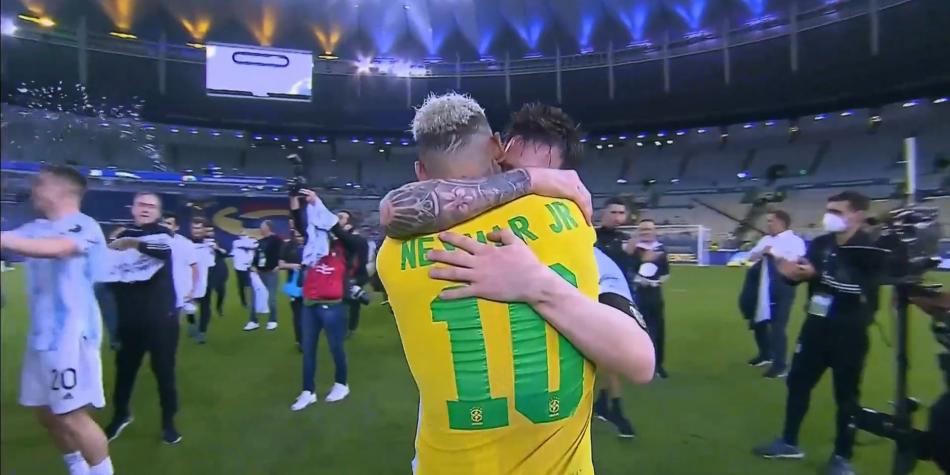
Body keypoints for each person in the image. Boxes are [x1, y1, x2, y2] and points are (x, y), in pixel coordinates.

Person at [376, 94, 654, 473]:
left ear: (421, 171)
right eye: (510, 172)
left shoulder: (393, 254)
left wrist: (537, 284)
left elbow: (394, 210)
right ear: (497, 150)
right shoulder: (574, 231)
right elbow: (642, 364)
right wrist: (535, 182)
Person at [754, 191, 886, 475]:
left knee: (846, 396)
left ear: (857, 215)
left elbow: (859, 290)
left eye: (837, 211)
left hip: (849, 332)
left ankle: (842, 456)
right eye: (829, 210)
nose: (830, 216)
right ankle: (789, 442)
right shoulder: (821, 243)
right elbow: (804, 274)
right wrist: (791, 274)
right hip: (815, 327)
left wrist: (818, 274)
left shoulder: (869, 250)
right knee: (798, 383)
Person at [0, 165, 114, 475]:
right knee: (46, 413)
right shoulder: (36, 227)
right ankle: (77, 467)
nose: (34, 188)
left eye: (41, 183)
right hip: (42, 337)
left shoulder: (84, 226)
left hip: (71, 337)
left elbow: (58, 249)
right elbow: (13, 241)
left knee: (71, 415)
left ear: (62, 190)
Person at [104, 191, 182, 445]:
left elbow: (163, 252)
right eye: (141, 204)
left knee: (164, 373)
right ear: (133, 208)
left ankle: (168, 423)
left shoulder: (163, 234)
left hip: (161, 320)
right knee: (124, 372)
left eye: (151, 206)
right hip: (130, 320)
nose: (146, 209)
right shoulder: (121, 235)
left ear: (158, 212)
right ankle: (120, 415)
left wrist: (131, 243)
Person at [288, 189, 363, 410]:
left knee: (335, 347)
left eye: (342, 218)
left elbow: (343, 235)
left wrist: (325, 215)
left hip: (334, 305)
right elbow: (300, 222)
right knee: (308, 349)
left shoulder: (349, 245)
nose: (336, 220)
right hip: (310, 303)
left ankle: (341, 384)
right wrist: (295, 199)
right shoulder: (314, 242)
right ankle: (307, 391)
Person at [743, 210, 805, 378]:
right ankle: (765, 354)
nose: (768, 224)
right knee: (758, 321)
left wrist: (775, 254)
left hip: (783, 287)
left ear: (781, 223)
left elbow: (796, 262)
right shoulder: (766, 239)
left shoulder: (795, 241)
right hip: (762, 286)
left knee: (778, 325)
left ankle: (780, 365)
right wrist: (759, 253)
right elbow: (751, 256)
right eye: (768, 221)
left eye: (771, 221)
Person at [628, 218, 671, 379]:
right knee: (640, 330)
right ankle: (640, 364)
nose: (646, 232)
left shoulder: (661, 249)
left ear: (654, 231)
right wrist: (639, 280)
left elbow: (666, 272)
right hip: (637, 295)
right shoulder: (633, 250)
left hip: (655, 295)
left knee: (658, 330)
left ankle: (658, 365)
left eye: (649, 229)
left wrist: (657, 281)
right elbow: (628, 270)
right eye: (643, 229)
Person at [161, 213, 199, 338]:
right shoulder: (153, 241)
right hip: (159, 288)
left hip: (179, 289)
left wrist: (193, 290)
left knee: (174, 319)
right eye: (163, 223)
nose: (165, 226)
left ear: (176, 227)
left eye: (168, 223)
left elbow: (195, 268)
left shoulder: (185, 244)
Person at [244, 220, 282, 331]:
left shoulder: (277, 240)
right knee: (255, 297)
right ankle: (253, 321)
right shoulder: (260, 241)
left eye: (262, 226)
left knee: (271, 298)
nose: (260, 229)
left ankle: (272, 320)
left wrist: (279, 266)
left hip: (271, 272)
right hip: (259, 273)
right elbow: (257, 256)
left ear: (267, 228)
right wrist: (253, 266)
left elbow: (282, 254)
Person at [336, 210, 370, 336]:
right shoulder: (353, 239)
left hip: (354, 275)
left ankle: (347, 328)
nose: (337, 220)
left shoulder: (354, 240)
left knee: (348, 302)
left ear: (349, 224)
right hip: (352, 275)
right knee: (350, 302)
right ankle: (350, 328)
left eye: (341, 218)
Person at [184, 217, 216, 343]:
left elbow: (214, 262)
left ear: (204, 229)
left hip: (205, 280)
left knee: (205, 307)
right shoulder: (185, 243)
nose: (196, 231)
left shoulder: (210, 244)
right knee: (189, 305)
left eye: (199, 228)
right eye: (194, 228)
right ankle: (191, 322)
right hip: (189, 280)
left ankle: (202, 332)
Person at [279, 229, 305, 350]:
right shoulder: (288, 246)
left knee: (310, 314)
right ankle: (300, 341)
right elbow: (281, 264)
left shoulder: (312, 246)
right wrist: (293, 266)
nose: (300, 238)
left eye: (302, 236)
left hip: (311, 286)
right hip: (295, 286)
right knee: (298, 314)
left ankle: (308, 338)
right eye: (298, 236)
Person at [206, 227, 229, 317]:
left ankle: (219, 308)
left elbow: (225, 253)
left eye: (211, 231)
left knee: (221, 292)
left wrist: (217, 248)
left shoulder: (218, 241)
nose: (210, 233)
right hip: (208, 273)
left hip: (219, 272)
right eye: (208, 231)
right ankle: (207, 310)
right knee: (207, 294)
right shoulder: (201, 242)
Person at [231, 229, 257, 308]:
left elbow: (255, 246)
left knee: (253, 283)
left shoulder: (252, 241)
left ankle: (254, 300)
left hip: (250, 266)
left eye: (244, 235)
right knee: (241, 285)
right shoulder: (236, 242)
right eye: (242, 235)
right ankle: (244, 301)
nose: (243, 236)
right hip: (239, 267)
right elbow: (242, 246)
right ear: (239, 236)